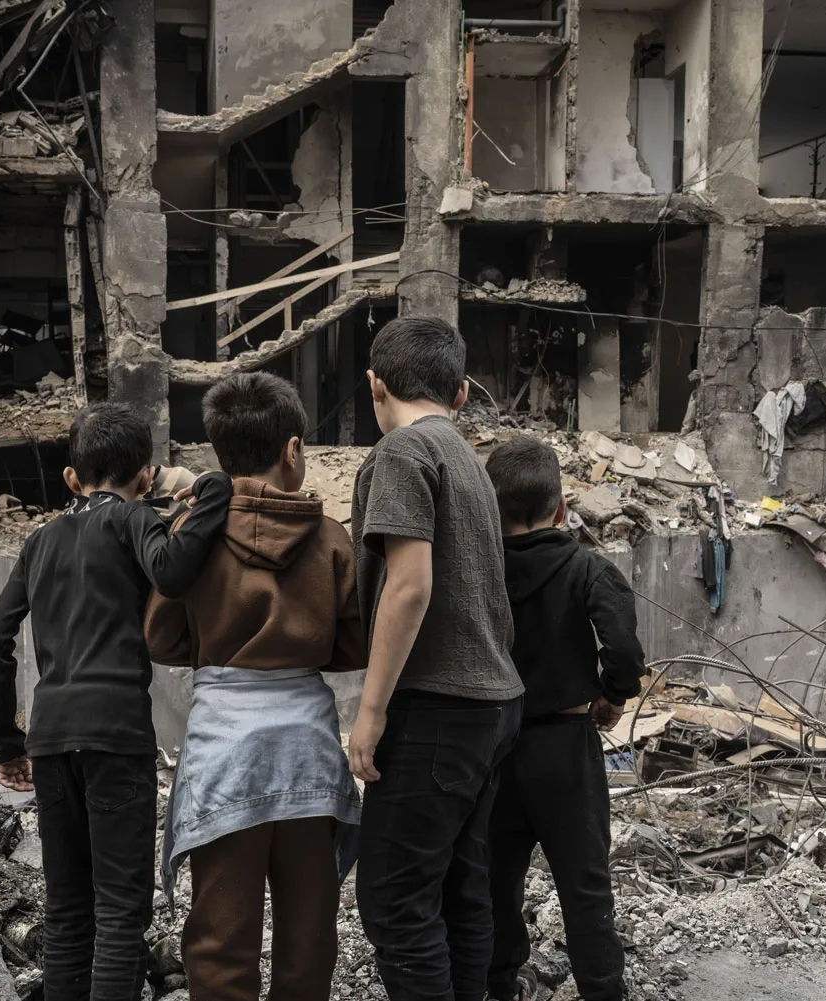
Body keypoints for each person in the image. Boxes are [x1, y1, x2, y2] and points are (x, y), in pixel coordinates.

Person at [0, 402, 234, 1001]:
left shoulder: (39, 540)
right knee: (121, 911)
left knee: (67, 910)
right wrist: (211, 488)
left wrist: (6, 742)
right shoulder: (131, 519)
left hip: (49, 737)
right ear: (145, 476)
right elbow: (171, 572)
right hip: (115, 736)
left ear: (71, 478)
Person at [145, 372, 368, 1001]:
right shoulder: (329, 539)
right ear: (293, 450)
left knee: (220, 937)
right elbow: (353, 642)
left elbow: (161, 637)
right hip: (307, 755)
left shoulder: (193, 534)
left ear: (220, 453)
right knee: (309, 934)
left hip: (225, 752)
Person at [347, 316, 526, 1001]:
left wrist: (370, 709)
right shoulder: (466, 457)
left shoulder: (402, 454)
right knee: (459, 892)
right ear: (459, 394)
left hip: (437, 712)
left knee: (393, 900)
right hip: (490, 706)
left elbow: (411, 585)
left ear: (374, 385)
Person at [482, 436, 645, 1001]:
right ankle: (602, 989)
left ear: (489, 505)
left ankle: (500, 985)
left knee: (496, 881)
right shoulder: (587, 568)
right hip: (567, 748)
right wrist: (613, 694)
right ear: (560, 507)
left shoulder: (477, 572)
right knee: (584, 884)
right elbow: (622, 646)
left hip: (494, 748)